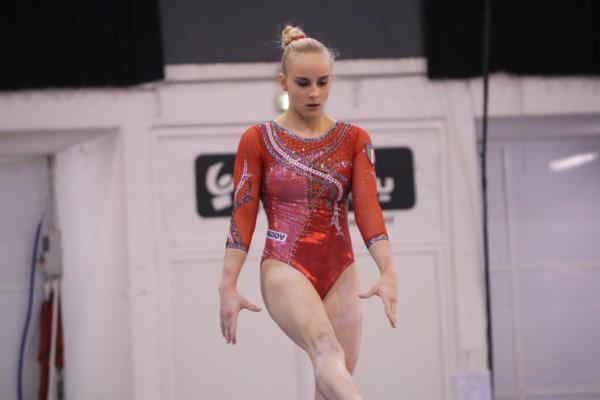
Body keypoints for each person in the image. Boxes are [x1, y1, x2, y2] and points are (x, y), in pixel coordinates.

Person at [218, 24, 397, 400]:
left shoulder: (355, 139)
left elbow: (367, 208)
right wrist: (228, 284)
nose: (314, 93)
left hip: (340, 267)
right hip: (285, 264)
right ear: (283, 82)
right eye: (303, 83)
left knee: (333, 381)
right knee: (326, 350)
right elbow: (243, 213)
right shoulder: (258, 139)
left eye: (323, 82)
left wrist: (387, 268)